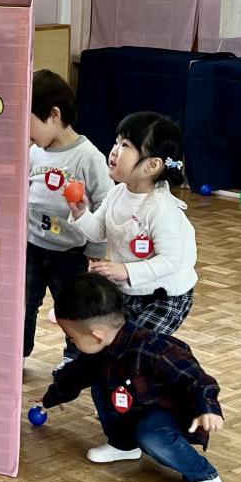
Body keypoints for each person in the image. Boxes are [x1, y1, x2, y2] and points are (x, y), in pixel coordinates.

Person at [40, 272, 224, 482]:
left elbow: (198, 380)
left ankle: (205, 476)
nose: (72, 342)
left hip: (168, 414)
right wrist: (48, 399)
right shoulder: (98, 351)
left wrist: (208, 409)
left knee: (151, 434)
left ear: (96, 335)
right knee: (100, 384)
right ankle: (124, 445)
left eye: (72, 337)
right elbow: (73, 377)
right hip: (135, 407)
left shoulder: (155, 349)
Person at [68, 112, 196, 336]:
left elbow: (171, 260)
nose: (114, 150)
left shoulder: (161, 208)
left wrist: (125, 270)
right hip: (129, 289)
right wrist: (81, 213)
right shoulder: (117, 193)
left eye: (125, 145)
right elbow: (98, 232)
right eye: (116, 142)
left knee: (138, 343)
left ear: (152, 165)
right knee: (115, 340)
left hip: (165, 294)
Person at [25, 69, 112, 364]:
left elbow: (104, 204)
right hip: (33, 247)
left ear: (53, 115)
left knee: (73, 307)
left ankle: (74, 358)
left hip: (70, 252)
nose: (26, 132)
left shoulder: (88, 157)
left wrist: (97, 249)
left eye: (30, 122)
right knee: (24, 304)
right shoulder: (35, 153)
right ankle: (18, 354)